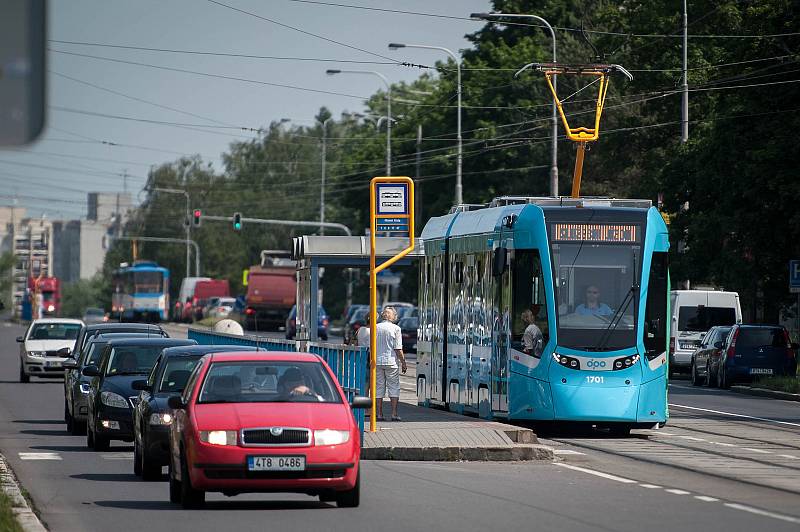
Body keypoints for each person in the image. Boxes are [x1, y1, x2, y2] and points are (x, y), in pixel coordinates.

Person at [373, 307, 406, 421]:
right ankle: (394, 413)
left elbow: (371, 346)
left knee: (378, 387)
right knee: (394, 387)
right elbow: (398, 348)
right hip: (391, 362)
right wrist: (403, 362)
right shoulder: (396, 328)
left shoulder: (375, 327)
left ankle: (380, 414)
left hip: (377, 362)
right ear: (393, 317)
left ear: (383, 315)